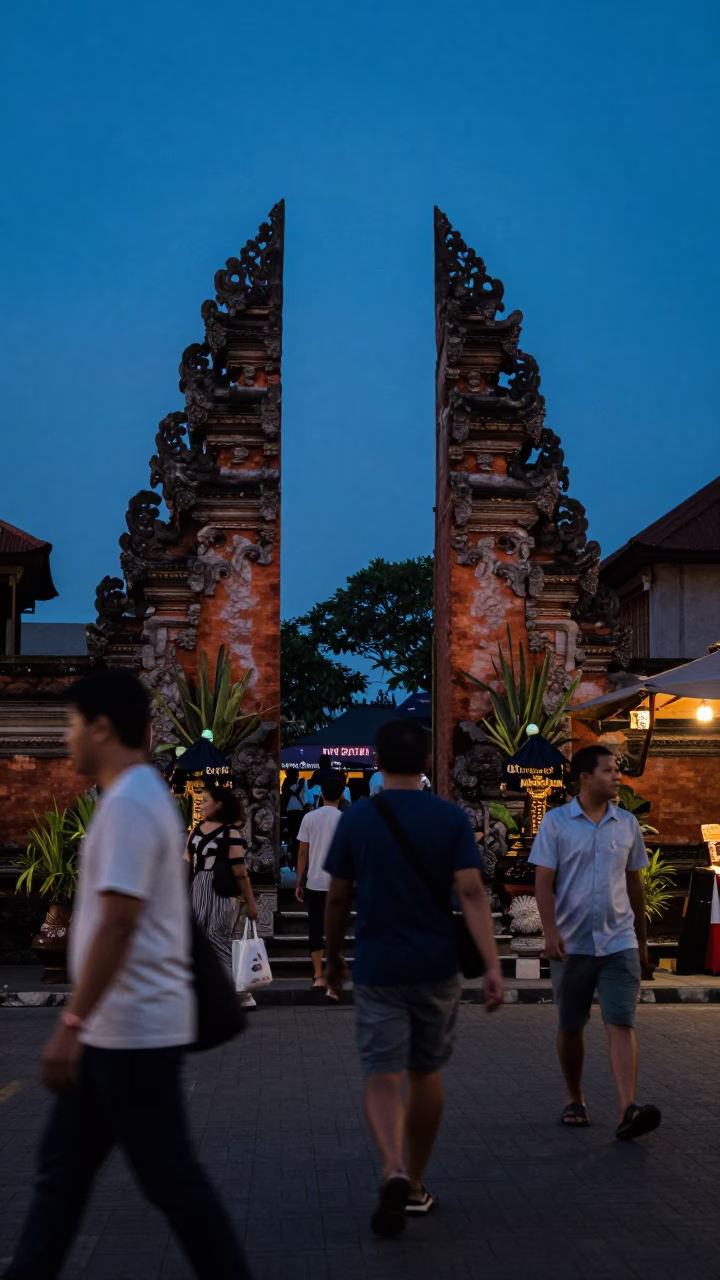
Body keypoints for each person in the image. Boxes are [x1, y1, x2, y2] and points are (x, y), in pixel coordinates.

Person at [2, 669, 251, 1280]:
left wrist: (71, 1023)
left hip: (132, 1032)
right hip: (118, 1030)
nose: (66, 737)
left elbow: (117, 922)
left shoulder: (131, 804)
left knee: (169, 1182)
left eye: (72, 724)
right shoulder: (138, 798)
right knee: (63, 1175)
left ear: (102, 728)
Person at [324, 719, 503, 1238]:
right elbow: (471, 892)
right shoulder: (449, 818)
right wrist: (492, 963)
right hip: (436, 963)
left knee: (382, 1075)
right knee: (425, 1072)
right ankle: (418, 1183)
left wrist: (332, 960)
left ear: (377, 762)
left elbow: (336, 898)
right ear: (427, 761)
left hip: (378, 963)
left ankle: (393, 1167)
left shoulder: (358, 818)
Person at [530, 744, 661, 1141]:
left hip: (619, 941)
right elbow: (543, 882)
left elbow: (635, 884)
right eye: (608, 770)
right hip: (572, 945)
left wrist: (641, 941)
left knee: (621, 1021)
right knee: (571, 1026)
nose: (617, 776)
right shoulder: (556, 823)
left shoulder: (627, 824)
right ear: (585, 777)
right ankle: (575, 1098)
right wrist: (550, 932)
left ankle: (627, 1108)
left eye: (617, 769)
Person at [186, 784, 258, 1009]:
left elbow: (240, 872)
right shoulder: (223, 832)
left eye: (206, 800)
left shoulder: (205, 832)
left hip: (210, 890)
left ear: (218, 805)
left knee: (214, 940)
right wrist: (250, 902)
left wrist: (251, 903)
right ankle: (230, 993)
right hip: (209, 891)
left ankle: (226, 994)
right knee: (213, 940)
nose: (202, 804)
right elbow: (240, 873)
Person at [294, 774, 345, 998]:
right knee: (336, 931)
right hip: (338, 884)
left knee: (315, 928)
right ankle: (333, 982)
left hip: (314, 882)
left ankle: (317, 976)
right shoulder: (345, 820)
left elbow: (302, 852)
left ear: (321, 794)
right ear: (341, 796)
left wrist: (299, 881)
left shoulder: (309, 818)